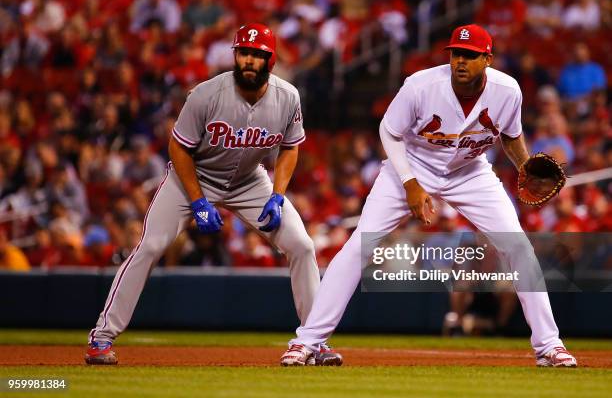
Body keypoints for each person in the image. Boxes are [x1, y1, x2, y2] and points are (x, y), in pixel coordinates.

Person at [280, 24, 577, 368]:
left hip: (470, 171)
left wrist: (524, 164)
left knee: (518, 246)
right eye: (456, 53)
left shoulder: (507, 90)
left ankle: (549, 346)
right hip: (411, 164)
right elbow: (389, 133)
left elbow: (510, 134)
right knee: (360, 244)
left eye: (469, 55)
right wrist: (410, 184)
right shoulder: (421, 85)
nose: (460, 61)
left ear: (488, 59)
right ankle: (307, 342)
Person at [85, 23, 321, 365]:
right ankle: (101, 337)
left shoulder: (288, 97)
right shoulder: (206, 94)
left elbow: (290, 148)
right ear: (235, 56)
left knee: (302, 245)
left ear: (271, 61)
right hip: (193, 177)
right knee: (150, 246)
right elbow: (178, 149)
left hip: (250, 181)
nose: (250, 61)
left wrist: (278, 194)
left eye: (258, 55)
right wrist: (197, 200)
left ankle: (313, 342)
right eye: (244, 53)